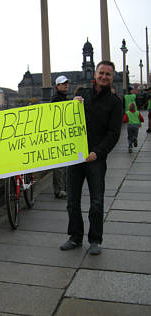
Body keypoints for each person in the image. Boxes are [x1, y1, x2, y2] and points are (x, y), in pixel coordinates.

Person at [60, 61, 122, 255]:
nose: (104, 77)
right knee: (72, 201)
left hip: (96, 158)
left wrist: (98, 152)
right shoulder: (83, 95)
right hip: (76, 157)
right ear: (94, 74)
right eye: (101, 73)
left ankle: (95, 239)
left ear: (112, 78)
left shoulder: (115, 103)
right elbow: (67, 120)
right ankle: (75, 237)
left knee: (96, 201)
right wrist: (72, 105)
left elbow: (113, 134)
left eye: (108, 74)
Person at [51, 75, 69, 199]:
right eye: (63, 84)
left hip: (64, 135)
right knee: (59, 165)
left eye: (66, 83)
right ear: (57, 86)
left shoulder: (63, 98)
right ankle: (59, 190)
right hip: (58, 136)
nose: (66, 85)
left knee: (65, 164)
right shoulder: (56, 99)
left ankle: (64, 188)